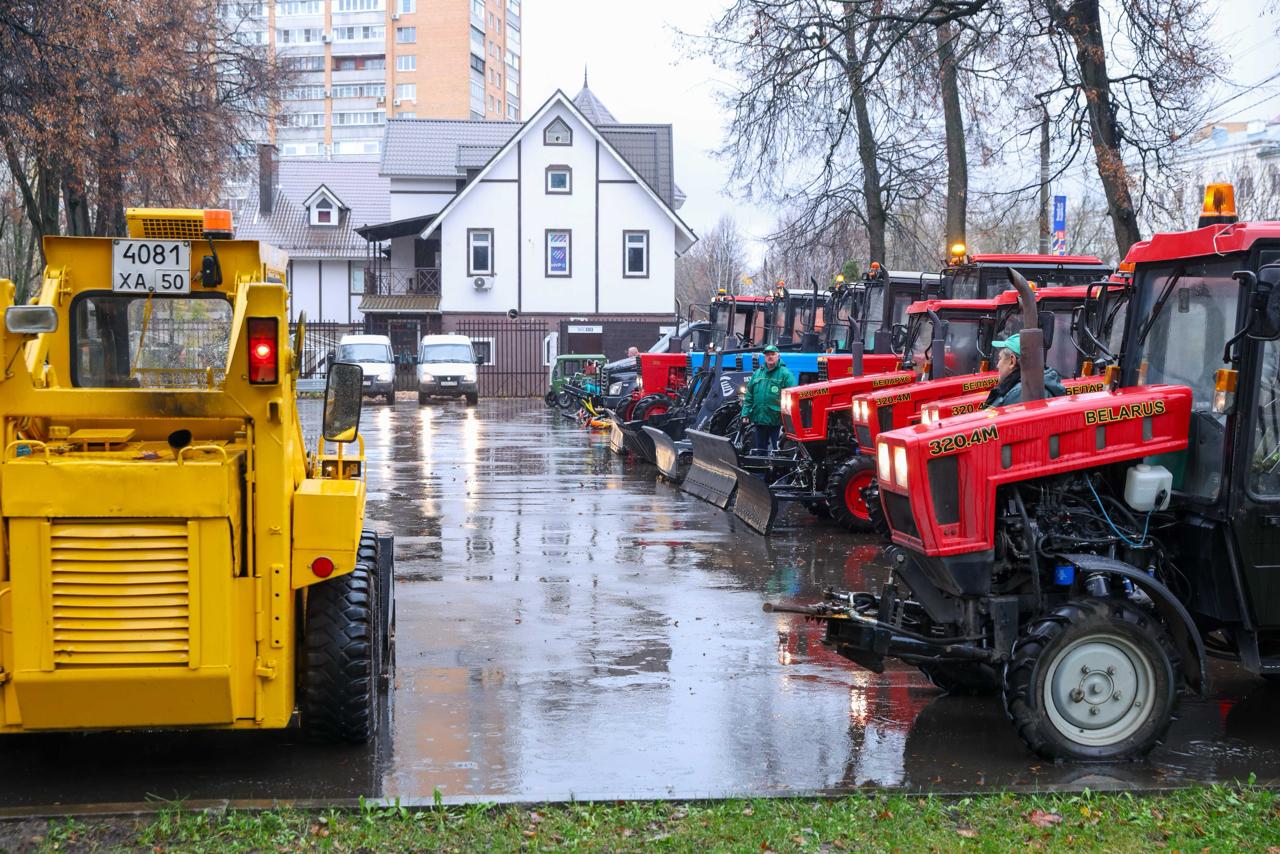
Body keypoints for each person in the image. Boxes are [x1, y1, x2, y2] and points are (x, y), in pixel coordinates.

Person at [982, 333, 1066, 408]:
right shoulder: (1035, 386)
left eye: (1000, 358)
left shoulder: (1019, 393)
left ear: (1012, 361)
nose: (997, 365)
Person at [741, 344, 795, 453]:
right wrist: (745, 414)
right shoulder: (757, 374)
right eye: (767, 355)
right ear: (764, 357)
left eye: (773, 354)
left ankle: (776, 469)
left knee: (777, 450)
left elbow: (792, 397)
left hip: (777, 422)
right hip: (760, 419)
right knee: (760, 449)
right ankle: (761, 469)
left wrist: (788, 420)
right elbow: (749, 395)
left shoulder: (785, 374)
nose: (770, 357)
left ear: (778, 356)